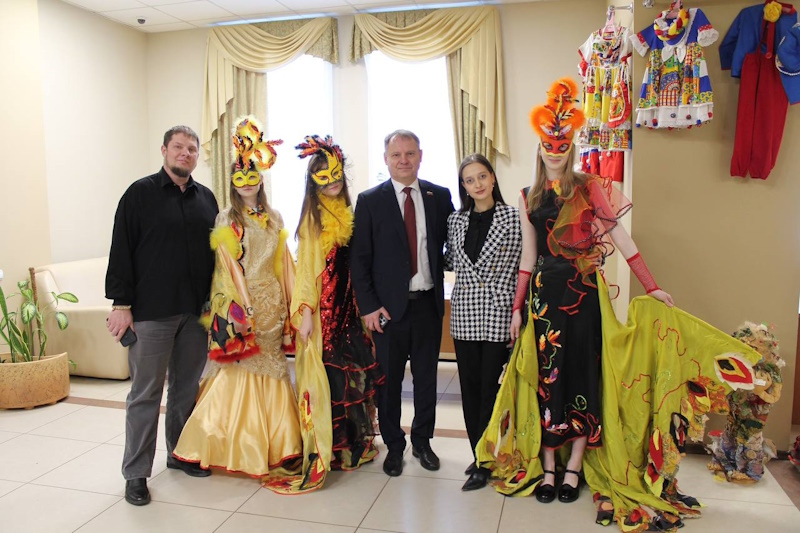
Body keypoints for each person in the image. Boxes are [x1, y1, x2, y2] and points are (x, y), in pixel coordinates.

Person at [172, 116, 303, 488]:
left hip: (273, 305)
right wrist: (242, 307)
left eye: (252, 175)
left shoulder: (274, 217)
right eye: (239, 177)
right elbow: (227, 268)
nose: (246, 182)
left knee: (273, 368)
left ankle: (278, 444)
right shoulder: (225, 217)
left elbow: (284, 263)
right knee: (238, 369)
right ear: (232, 182)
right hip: (243, 305)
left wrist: (293, 305)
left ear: (261, 178)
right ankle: (227, 444)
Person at [105, 125, 219, 506]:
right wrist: (121, 304)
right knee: (146, 394)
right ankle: (136, 473)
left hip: (195, 313)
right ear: (164, 151)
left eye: (191, 149)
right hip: (152, 313)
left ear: (197, 156)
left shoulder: (207, 199)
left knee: (186, 389)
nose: (185, 153)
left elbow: (217, 255)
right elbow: (121, 249)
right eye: (178, 147)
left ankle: (179, 453)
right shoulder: (139, 194)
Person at [267, 135, 385, 494]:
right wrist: (305, 313)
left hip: (350, 311)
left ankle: (352, 446)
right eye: (323, 176)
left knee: (353, 380)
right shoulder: (311, 219)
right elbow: (306, 272)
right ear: (312, 181)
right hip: (326, 315)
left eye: (336, 175)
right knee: (331, 382)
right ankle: (330, 448)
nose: (332, 182)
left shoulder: (348, 210)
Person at [351, 130, 455, 477]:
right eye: (396, 155)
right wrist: (369, 307)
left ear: (420, 156)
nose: (404, 160)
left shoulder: (439, 196)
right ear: (386, 159)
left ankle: (423, 442)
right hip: (386, 311)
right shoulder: (370, 201)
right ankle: (394, 446)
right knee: (389, 382)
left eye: (410, 153)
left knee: (426, 380)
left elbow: (452, 244)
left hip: (427, 306)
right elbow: (360, 259)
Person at [444, 154, 521, 491]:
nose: (477, 184)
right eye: (469, 180)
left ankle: (488, 458)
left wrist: (519, 309)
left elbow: (525, 265)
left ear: (493, 178)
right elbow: (450, 260)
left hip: (498, 312)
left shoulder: (514, 217)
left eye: (482, 176)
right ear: (463, 186)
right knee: (470, 388)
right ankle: (478, 453)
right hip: (464, 313)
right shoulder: (455, 220)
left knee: (491, 388)